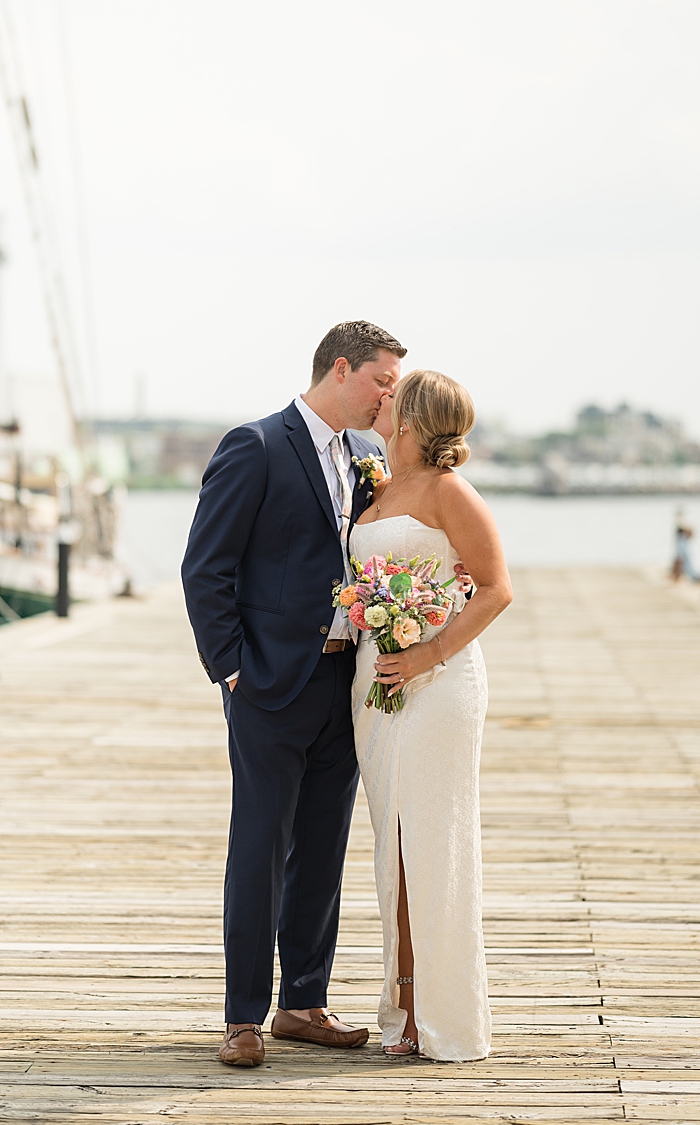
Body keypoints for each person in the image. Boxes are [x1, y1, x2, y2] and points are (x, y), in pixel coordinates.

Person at [182, 320, 406, 1066]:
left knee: (322, 847)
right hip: (268, 684)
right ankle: (242, 1015)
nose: (389, 395)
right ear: (341, 370)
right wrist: (233, 669)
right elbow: (204, 568)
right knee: (259, 845)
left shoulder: (371, 454)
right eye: (382, 380)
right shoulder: (256, 445)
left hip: (344, 684)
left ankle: (303, 1000)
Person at [351, 368, 513, 1059]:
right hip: (374, 680)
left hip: (437, 682)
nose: (381, 402)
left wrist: (428, 653)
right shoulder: (378, 487)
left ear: (411, 419)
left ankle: (435, 1013)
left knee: (430, 844)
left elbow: (497, 589)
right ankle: (403, 1002)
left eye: (392, 396)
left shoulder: (451, 492)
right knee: (392, 846)